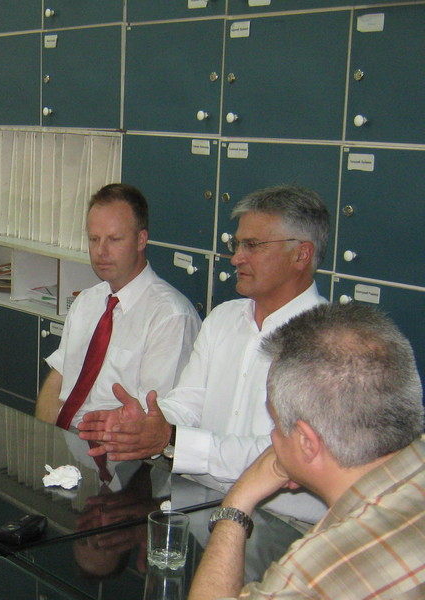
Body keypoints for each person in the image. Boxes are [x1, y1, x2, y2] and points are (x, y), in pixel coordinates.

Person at [180, 303, 425, 600]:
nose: (273, 439)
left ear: (308, 443)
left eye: (276, 425)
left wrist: (237, 502)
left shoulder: (331, 567)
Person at [79, 185, 329, 520]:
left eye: (253, 245)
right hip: (199, 504)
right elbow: (189, 402)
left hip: (283, 522)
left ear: (301, 255)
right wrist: (146, 422)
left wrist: (172, 439)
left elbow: (285, 453)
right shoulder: (223, 319)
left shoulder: (328, 342)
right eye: (236, 244)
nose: (237, 258)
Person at [35, 183, 200, 428]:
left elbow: (153, 418)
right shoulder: (87, 301)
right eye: (94, 239)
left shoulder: (170, 317)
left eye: (114, 239)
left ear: (141, 240)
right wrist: (45, 435)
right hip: (66, 440)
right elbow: (58, 379)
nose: (101, 251)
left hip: (115, 446)